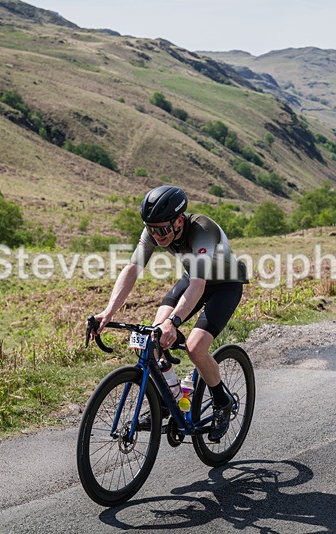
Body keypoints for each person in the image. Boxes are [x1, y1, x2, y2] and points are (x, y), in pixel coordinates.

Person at [91, 185, 248, 442]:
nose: (158, 236)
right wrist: (107, 312)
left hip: (225, 285)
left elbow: (199, 286)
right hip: (194, 279)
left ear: (178, 221)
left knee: (195, 348)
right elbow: (132, 268)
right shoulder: (156, 227)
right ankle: (169, 399)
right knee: (151, 338)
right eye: (152, 230)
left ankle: (222, 401)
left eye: (163, 229)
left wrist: (173, 323)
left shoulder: (202, 230)